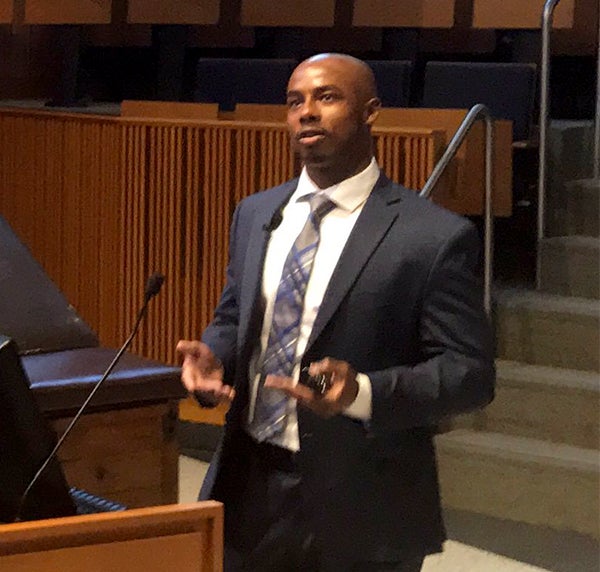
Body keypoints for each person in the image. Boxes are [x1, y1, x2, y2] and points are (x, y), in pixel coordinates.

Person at [177, 53, 495, 572]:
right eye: (294, 101)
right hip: (250, 486)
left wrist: (362, 394)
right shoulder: (257, 213)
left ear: (370, 112)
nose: (307, 112)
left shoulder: (432, 236)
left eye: (327, 97)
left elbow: (470, 375)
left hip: (365, 500)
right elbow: (237, 316)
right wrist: (215, 355)